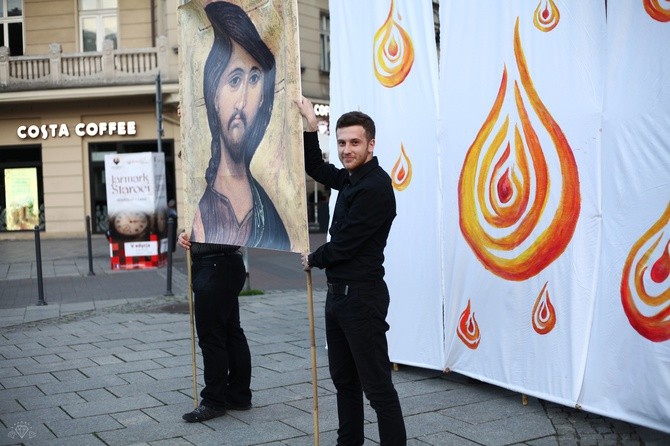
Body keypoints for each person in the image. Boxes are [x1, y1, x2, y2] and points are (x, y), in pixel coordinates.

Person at [296, 97, 407, 445]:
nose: (346, 149)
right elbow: (315, 166)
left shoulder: (375, 187)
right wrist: (311, 126)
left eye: (354, 142)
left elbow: (345, 245)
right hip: (338, 299)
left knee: (377, 388)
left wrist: (314, 258)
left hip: (362, 299)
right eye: (342, 142)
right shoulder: (349, 179)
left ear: (371, 145)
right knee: (345, 381)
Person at [191, 0, 290, 250]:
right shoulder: (199, 211)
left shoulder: (269, 213)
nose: (243, 101)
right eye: (234, 80)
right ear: (214, 96)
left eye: (255, 79)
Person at [178, 231, 252, 422]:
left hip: (215, 265)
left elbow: (210, 225)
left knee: (212, 336)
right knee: (231, 331)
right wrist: (184, 235)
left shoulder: (215, 201)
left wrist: (190, 234)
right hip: (225, 263)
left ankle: (214, 401)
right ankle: (238, 395)